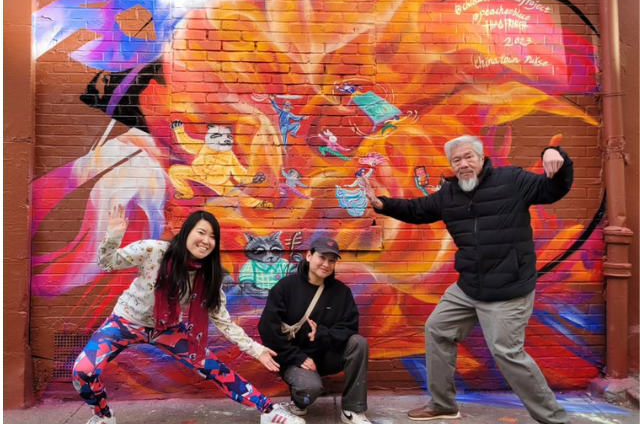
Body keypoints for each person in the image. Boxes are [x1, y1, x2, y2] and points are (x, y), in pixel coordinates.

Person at [362, 135, 573, 424]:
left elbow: (553, 188)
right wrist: (382, 204)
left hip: (509, 288)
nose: (463, 164)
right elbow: (417, 210)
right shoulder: (449, 194)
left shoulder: (512, 180)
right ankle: (442, 404)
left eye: (468, 157)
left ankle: (555, 419)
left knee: (507, 352)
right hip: (469, 286)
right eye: (456, 160)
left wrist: (556, 156)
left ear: (482, 158)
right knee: (437, 329)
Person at [72, 205, 305, 424]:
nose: (206, 241)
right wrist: (113, 236)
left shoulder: (208, 275)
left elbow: (222, 320)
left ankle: (268, 411)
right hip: (125, 321)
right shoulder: (154, 251)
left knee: (215, 368)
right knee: (83, 370)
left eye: (212, 237)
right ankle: (103, 416)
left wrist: (256, 349)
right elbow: (107, 263)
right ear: (186, 232)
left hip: (169, 329)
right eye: (201, 232)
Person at [258, 237, 371, 424]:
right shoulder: (286, 287)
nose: (326, 264)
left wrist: (323, 334)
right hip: (294, 359)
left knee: (359, 343)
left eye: (332, 260)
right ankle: (299, 401)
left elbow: (350, 327)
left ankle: (352, 410)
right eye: (322, 257)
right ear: (309, 256)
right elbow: (267, 328)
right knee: (310, 388)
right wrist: (297, 357)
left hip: (325, 354)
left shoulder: (341, 292)